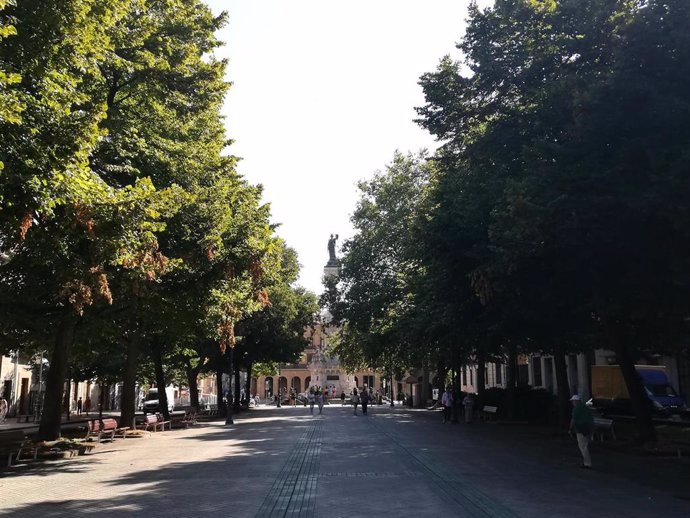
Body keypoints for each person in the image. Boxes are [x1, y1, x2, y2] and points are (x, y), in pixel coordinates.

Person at [569, 395, 594, 469]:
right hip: (588, 427)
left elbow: (573, 419)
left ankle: (587, 463)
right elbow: (590, 417)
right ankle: (587, 462)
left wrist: (570, 429)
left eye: (573, 401)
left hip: (580, 428)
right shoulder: (585, 407)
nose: (572, 403)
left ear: (576, 401)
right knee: (585, 445)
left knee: (582, 446)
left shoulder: (576, 409)